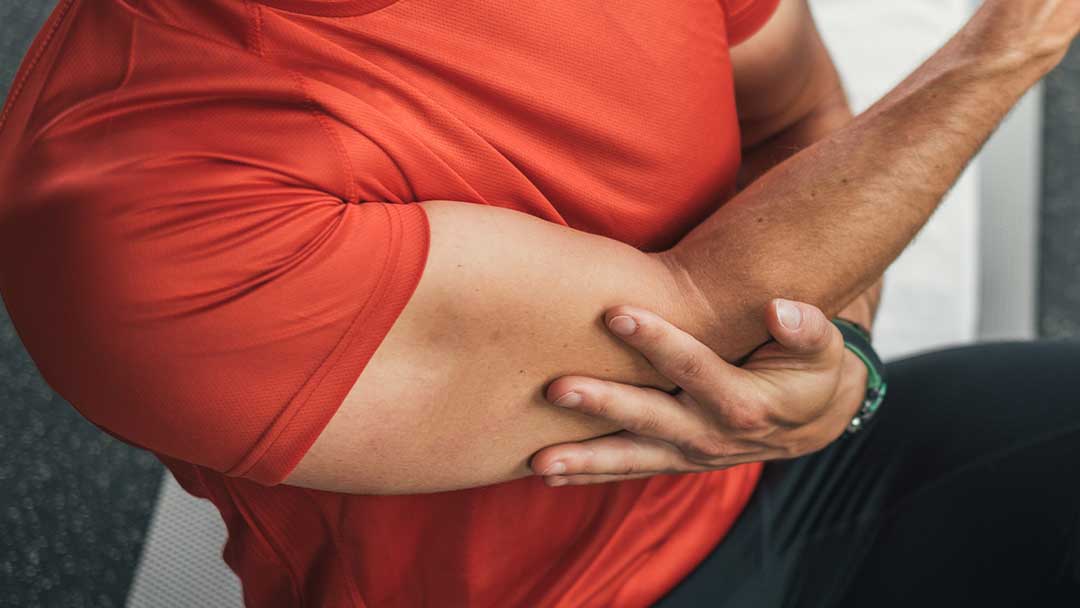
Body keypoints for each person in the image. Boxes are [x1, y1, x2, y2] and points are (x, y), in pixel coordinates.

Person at [0, 0, 1076, 605]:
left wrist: (841, 356)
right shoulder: (135, 205)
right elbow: (691, 320)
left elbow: (793, 116)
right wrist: (1005, 46)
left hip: (785, 481)